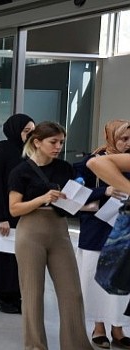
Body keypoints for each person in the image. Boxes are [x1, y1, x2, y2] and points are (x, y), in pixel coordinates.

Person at [8, 121, 91, 350]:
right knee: (33, 295)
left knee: (72, 293)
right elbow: (14, 209)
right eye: (53, 142)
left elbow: (73, 197)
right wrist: (42, 198)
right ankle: (35, 347)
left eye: (61, 142)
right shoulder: (21, 171)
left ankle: (76, 346)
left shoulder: (64, 168)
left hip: (59, 229)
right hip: (31, 231)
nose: (58, 147)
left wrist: (86, 204)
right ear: (37, 142)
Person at [74, 120, 130, 349]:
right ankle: (98, 326)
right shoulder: (90, 162)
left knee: (120, 280)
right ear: (110, 137)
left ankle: (118, 326)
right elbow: (75, 194)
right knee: (94, 279)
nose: (127, 143)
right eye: (123, 138)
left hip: (122, 233)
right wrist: (103, 190)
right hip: (96, 230)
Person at [0, 114, 35, 314]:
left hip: (24, 211)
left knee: (19, 256)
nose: (30, 136)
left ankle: (16, 294)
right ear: (15, 131)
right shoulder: (1, 152)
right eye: (26, 132)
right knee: (4, 255)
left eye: (33, 132)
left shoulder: (30, 153)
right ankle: (4, 296)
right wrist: (1, 216)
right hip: (4, 211)